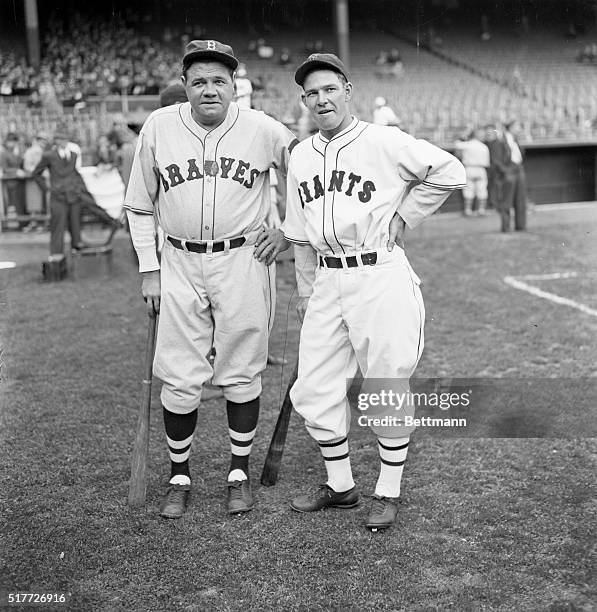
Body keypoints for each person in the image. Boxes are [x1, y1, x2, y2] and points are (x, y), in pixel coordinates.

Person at [280, 53, 465, 531]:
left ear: (348, 90)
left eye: (329, 89)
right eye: (311, 93)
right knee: (315, 386)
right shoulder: (300, 155)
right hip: (327, 278)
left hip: (378, 273)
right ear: (304, 102)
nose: (321, 99)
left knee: (384, 383)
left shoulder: (383, 139)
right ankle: (340, 486)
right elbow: (299, 233)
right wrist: (305, 292)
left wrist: (405, 215)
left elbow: (448, 170)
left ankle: (388, 490)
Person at [124, 39, 297, 519]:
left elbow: (308, 172)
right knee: (180, 376)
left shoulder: (263, 128)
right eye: (199, 81)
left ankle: (238, 472)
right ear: (185, 86)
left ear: (234, 86)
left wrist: (288, 231)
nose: (209, 89)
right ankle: (180, 475)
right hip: (177, 261)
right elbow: (138, 204)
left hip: (243, 260)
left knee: (241, 371)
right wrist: (149, 269)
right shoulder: (160, 126)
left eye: (219, 80)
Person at [31, 130, 121, 257]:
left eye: (65, 139)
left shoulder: (73, 154)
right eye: (61, 139)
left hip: (73, 194)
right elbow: (36, 173)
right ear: (56, 141)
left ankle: (77, 243)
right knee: (58, 225)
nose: (64, 142)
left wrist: (78, 186)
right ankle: (56, 253)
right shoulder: (49, 155)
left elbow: (74, 173)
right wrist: (47, 189)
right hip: (58, 196)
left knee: (75, 222)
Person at [454, 128, 491, 216]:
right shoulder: (484, 146)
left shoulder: (467, 144)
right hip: (481, 169)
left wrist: (463, 137)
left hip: (469, 169)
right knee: (482, 190)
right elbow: (487, 162)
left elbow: (456, 144)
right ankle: (481, 210)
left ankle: (468, 210)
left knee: (468, 190)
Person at [499, 119, 527, 232]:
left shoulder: (515, 140)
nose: (519, 129)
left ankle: (520, 226)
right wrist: (505, 172)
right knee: (506, 200)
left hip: (519, 169)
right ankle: (506, 227)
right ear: (510, 127)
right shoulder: (501, 140)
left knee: (520, 199)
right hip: (509, 170)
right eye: (517, 126)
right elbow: (497, 160)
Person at [22, 133, 49, 232]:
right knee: (34, 202)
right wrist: (39, 172)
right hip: (34, 179)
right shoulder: (31, 151)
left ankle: (41, 222)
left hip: (41, 179)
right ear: (37, 140)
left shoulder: (42, 151)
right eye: (42, 141)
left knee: (41, 201)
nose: (44, 143)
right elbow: (27, 166)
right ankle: (34, 223)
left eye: (45, 141)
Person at [0, 133, 26, 229]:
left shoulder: (18, 151)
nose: (11, 143)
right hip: (10, 181)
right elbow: (5, 168)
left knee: (20, 204)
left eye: (13, 141)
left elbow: (22, 164)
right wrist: (16, 171)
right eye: (10, 141)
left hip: (20, 181)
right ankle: (6, 224)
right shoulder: (4, 153)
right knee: (11, 203)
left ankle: (22, 224)